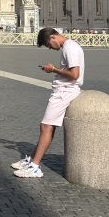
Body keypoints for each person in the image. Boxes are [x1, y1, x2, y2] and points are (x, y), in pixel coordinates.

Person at [12, 27, 85, 178]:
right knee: (47, 126)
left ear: (53, 37)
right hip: (63, 90)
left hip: (65, 92)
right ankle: (32, 160)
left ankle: (35, 166)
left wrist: (53, 69)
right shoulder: (69, 46)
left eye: (49, 45)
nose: (51, 48)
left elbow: (74, 74)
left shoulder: (69, 48)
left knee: (45, 126)